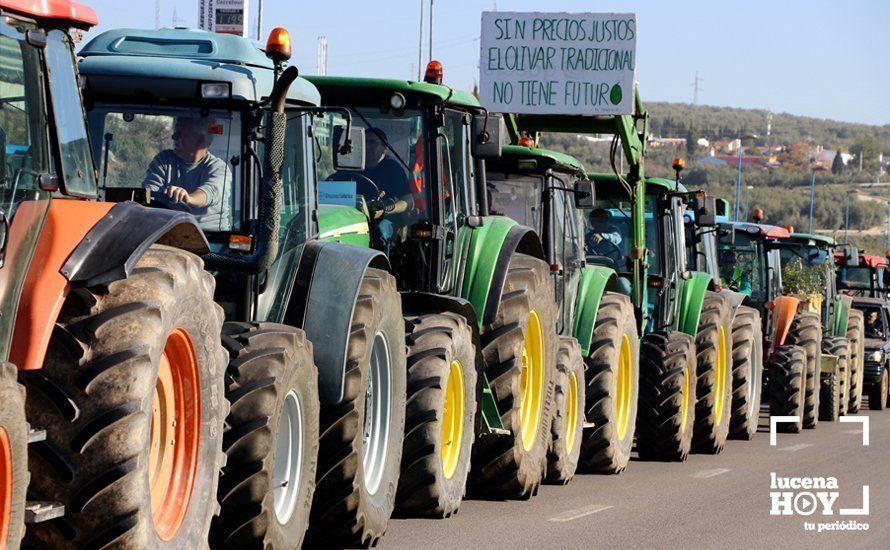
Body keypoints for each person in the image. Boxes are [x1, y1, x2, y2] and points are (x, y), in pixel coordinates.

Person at [142, 116, 231, 231]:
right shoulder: (163, 160)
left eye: (181, 133)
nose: (173, 137)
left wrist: (188, 197)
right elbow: (149, 194)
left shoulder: (218, 168)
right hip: (169, 233)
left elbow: (209, 193)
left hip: (211, 239)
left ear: (200, 141)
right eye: (175, 132)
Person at [357, 129, 413, 250]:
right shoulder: (351, 168)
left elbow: (409, 201)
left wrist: (386, 209)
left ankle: (383, 266)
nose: (367, 146)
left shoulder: (394, 170)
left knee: (380, 231)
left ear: (384, 148)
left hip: (385, 217)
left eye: (372, 142)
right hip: (354, 216)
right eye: (364, 142)